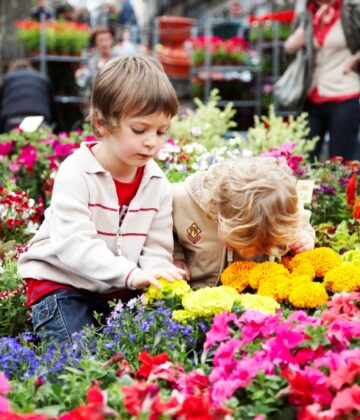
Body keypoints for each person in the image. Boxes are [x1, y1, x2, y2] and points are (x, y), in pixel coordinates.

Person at [18, 55, 185, 343]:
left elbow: (156, 248)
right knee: (80, 358)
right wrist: (130, 275)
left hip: (119, 288)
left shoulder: (156, 183)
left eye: (161, 132)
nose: (152, 142)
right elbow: (74, 244)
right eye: (140, 129)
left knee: (160, 341)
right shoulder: (77, 172)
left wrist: (156, 275)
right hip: (62, 284)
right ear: (102, 123)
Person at [172, 158, 315, 289]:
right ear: (220, 214)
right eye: (239, 244)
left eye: (263, 247)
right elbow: (163, 231)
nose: (248, 253)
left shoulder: (283, 203)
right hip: (196, 290)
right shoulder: (183, 201)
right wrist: (174, 257)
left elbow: (300, 224)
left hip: (257, 293)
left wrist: (304, 238)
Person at [284, 0, 360, 160]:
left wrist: (356, 59)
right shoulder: (306, 14)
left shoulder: (351, 9)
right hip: (312, 95)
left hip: (345, 92)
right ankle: (307, 186)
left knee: (340, 163)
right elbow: (291, 56)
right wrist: (291, 46)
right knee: (304, 158)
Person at [0, 60, 59, 133]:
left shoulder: (7, 79)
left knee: (12, 142)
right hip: (39, 119)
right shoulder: (42, 78)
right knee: (39, 142)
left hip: (13, 119)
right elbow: (53, 108)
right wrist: (57, 132)